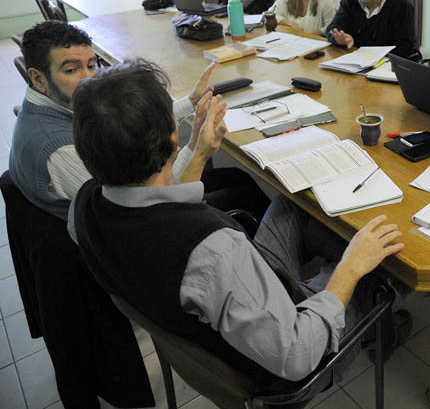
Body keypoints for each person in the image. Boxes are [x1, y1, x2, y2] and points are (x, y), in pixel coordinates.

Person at [67, 59, 405, 401]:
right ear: (172, 134)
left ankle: (352, 270)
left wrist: (197, 154)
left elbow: (157, 205)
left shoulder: (84, 206)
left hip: (239, 309)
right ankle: (381, 331)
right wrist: (349, 268)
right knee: (371, 269)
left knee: (291, 209)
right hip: (292, 357)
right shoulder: (213, 250)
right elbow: (298, 356)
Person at [9, 20, 268, 221]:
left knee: (235, 176)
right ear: (38, 78)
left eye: (91, 64)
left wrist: (190, 102)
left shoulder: (48, 111)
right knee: (248, 194)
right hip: (142, 238)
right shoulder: (61, 151)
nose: (89, 78)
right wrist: (196, 151)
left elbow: (125, 126)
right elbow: (151, 206)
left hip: (133, 216)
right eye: (72, 69)